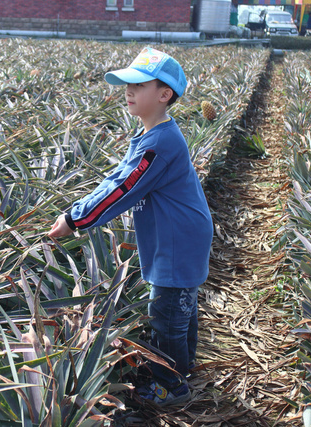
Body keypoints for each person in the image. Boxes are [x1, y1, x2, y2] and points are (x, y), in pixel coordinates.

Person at [47, 47, 213, 406]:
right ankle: (183, 369)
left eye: (138, 84)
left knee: (166, 315)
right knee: (180, 308)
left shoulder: (159, 143)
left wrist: (75, 219)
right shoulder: (154, 134)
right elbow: (120, 177)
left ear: (164, 94)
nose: (128, 90)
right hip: (180, 234)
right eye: (126, 83)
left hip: (178, 240)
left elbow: (122, 189)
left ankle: (172, 387)